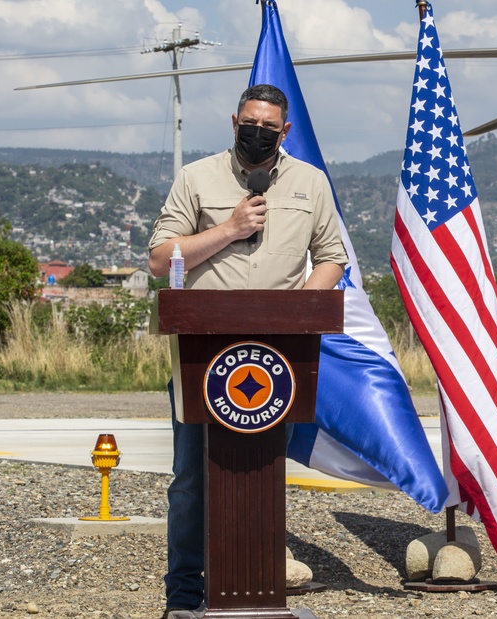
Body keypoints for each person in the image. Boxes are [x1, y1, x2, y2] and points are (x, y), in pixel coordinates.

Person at [148, 84, 347, 619]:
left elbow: (331, 259)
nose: (257, 133)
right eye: (249, 123)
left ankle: (256, 594)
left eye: (269, 127)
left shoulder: (310, 184)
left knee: (258, 475)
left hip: (277, 360)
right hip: (202, 360)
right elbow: (160, 258)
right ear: (234, 121)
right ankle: (185, 598)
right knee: (193, 478)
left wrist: (301, 313)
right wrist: (229, 229)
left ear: (284, 132)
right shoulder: (196, 179)